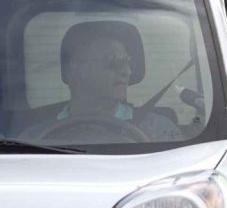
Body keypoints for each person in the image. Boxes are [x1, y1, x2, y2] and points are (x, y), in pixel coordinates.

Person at [22, 21, 182, 143]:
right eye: (115, 60)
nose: (127, 71)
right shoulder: (34, 138)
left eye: (128, 61)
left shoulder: (158, 130)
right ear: (77, 68)